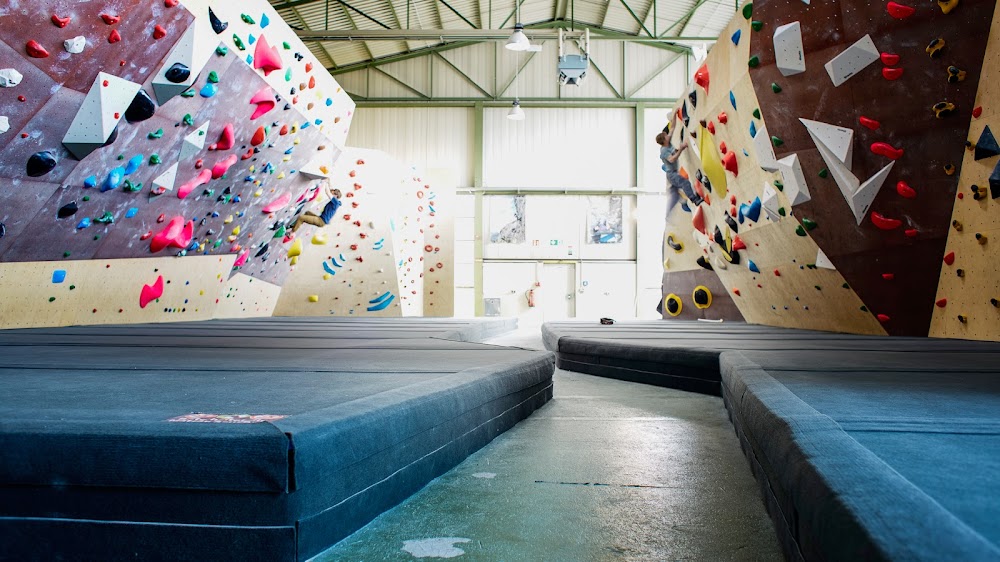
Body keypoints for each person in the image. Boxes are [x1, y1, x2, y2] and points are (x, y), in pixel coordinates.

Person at [655, 118, 701, 219]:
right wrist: (681, 148)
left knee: (674, 196)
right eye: (666, 136)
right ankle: (694, 199)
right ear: (664, 140)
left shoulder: (667, 141)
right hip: (672, 174)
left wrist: (675, 114)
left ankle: (676, 201)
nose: (668, 136)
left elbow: (672, 128)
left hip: (672, 173)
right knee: (684, 183)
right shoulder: (664, 151)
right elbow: (672, 159)